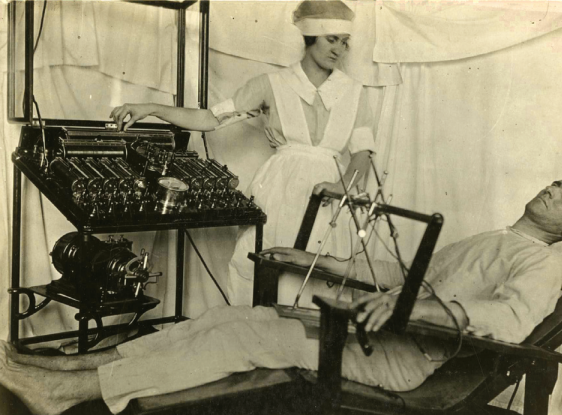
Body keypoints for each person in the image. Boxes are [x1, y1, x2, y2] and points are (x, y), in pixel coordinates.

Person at [1, 172, 562, 415]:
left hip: (403, 358)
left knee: (258, 333)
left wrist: (415, 307)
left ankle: (64, 393)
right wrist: (310, 259)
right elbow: (394, 276)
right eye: (556, 184)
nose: (554, 191)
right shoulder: (492, 237)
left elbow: (509, 319)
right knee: (234, 315)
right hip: (375, 333)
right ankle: (74, 366)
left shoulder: (540, 263)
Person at [109, 0, 376, 307]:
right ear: (310, 36)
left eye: (345, 42)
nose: (339, 50)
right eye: (332, 39)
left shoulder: (355, 93)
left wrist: (343, 186)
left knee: (323, 283)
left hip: (332, 198)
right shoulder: (272, 84)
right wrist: (151, 108)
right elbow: (210, 119)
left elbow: (362, 152)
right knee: (266, 278)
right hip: (280, 192)